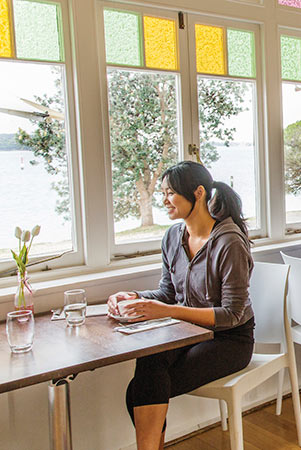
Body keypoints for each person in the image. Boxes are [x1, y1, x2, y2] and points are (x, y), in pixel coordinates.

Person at [107, 161, 255, 450]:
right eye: (163, 193)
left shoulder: (229, 242)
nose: (164, 201)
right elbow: (167, 292)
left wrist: (168, 311)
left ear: (198, 193)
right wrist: (134, 296)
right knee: (148, 362)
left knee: (139, 391)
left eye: (171, 193)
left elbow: (232, 314)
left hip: (230, 340)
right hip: (187, 333)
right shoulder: (173, 237)